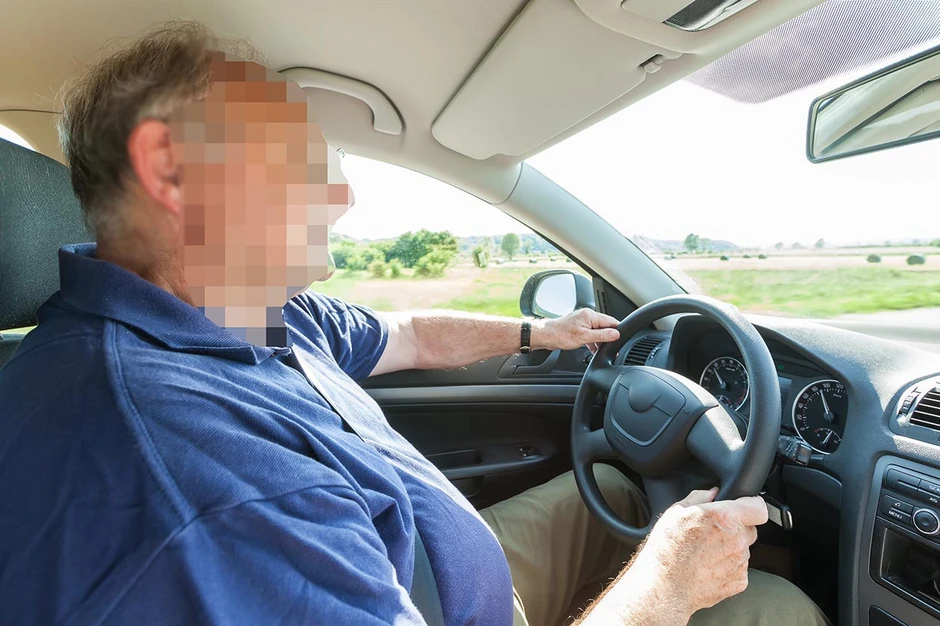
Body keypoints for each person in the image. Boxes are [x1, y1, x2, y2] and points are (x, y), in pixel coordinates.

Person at [0, 23, 829, 626]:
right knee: (775, 608)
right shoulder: (199, 485)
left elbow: (410, 335)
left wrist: (542, 335)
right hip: (425, 597)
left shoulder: (251, 315)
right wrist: (670, 582)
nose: (341, 194)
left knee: (616, 489)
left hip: (424, 574)